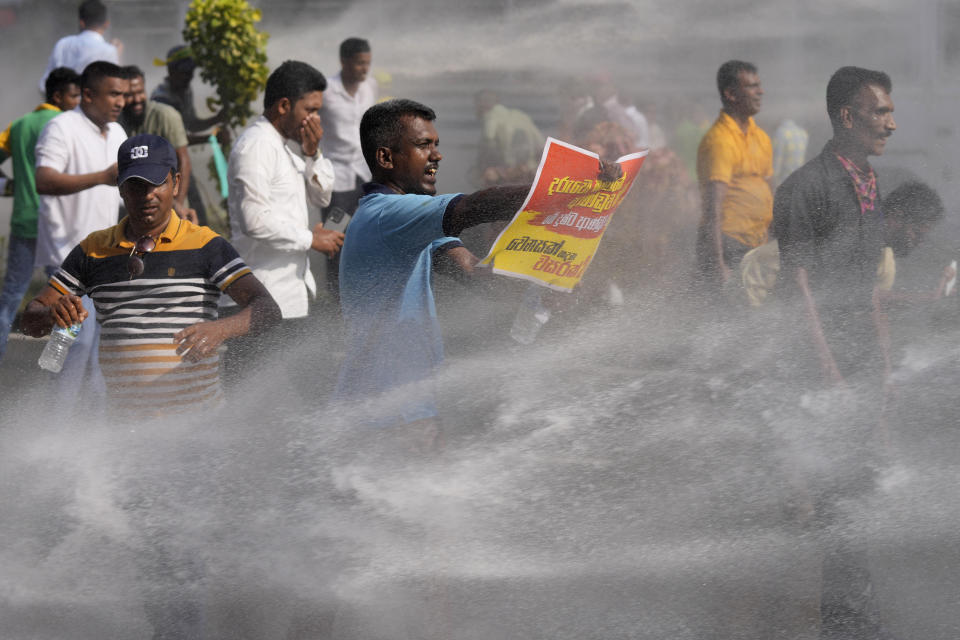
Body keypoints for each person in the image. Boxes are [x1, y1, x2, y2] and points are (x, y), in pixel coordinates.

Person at [335, 98, 618, 443]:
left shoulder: (408, 224)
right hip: (383, 412)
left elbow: (474, 273)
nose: (437, 155)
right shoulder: (388, 213)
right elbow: (474, 207)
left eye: (437, 145)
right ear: (385, 157)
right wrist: (565, 191)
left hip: (404, 404)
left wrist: (540, 284)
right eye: (424, 145)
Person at [22, 133, 281, 416]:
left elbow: (267, 308)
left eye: (156, 182)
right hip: (124, 431)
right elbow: (30, 322)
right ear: (121, 189)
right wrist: (52, 315)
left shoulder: (207, 246)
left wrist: (221, 329)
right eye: (135, 185)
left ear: (176, 183)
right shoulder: (93, 250)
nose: (147, 195)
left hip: (199, 426)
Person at [772, 66, 899, 640]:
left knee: (855, 504)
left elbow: (871, 286)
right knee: (837, 506)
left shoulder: (870, 186)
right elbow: (798, 287)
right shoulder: (803, 189)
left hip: (862, 365)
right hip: (821, 366)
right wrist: (829, 372)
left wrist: (885, 369)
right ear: (846, 117)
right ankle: (851, 627)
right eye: (879, 112)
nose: (891, 124)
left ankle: (853, 623)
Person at [225, 60, 343, 381]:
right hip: (261, 301)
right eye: (311, 109)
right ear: (284, 105)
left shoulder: (285, 149)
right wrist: (310, 239)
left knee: (290, 404)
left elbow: (321, 198)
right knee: (262, 406)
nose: (316, 119)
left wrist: (313, 153)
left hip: (287, 301)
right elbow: (254, 220)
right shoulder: (256, 146)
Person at [33, 60, 128, 400]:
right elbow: (43, 180)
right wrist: (101, 177)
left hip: (105, 259)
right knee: (76, 343)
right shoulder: (61, 127)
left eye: (124, 95)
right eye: (114, 94)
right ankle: (54, 431)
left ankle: (95, 433)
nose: (121, 102)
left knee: (98, 350)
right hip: (66, 260)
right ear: (88, 95)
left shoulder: (117, 133)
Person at [0, 67, 81, 360]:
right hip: (57, 225)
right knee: (66, 294)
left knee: (11, 294)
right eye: (74, 96)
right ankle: (63, 357)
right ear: (58, 96)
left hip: (24, 220)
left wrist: (8, 184)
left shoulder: (19, 125)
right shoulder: (68, 124)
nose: (77, 102)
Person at [696, 60, 773, 286]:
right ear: (730, 94)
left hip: (757, 243)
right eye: (752, 86)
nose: (761, 91)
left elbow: (770, 190)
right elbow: (713, 208)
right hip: (729, 245)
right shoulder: (720, 140)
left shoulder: (761, 137)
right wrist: (718, 265)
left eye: (759, 85)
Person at [317, 37, 379, 297]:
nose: (364, 69)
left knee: (368, 231)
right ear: (344, 62)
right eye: (359, 64)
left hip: (364, 174)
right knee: (336, 235)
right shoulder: (326, 91)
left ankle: (365, 290)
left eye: (367, 63)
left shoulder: (370, 86)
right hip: (337, 178)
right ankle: (336, 295)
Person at [152, 44, 228, 225]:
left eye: (190, 72)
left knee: (197, 210)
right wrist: (210, 138)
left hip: (180, 161)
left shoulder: (184, 89)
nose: (189, 77)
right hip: (165, 166)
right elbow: (178, 141)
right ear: (171, 71)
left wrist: (216, 118)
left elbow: (191, 124)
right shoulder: (163, 99)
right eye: (184, 73)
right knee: (180, 212)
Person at [119, 65, 196, 223]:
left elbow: (183, 160)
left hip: (169, 203)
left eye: (140, 92)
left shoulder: (166, 116)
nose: (136, 100)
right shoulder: (116, 122)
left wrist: (177, 202)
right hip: (134, 207)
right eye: (129, 95)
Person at [39, 0, 120, 93]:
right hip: (91, 107)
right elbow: (115, 87)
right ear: (106, 24)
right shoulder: (109, 50)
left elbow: (43, 85)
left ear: (81, 22)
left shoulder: (63, 44)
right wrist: (118, 54)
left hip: (60, 104)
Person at [473, 89, 545, 186]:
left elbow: (488, 142)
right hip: (530, 170)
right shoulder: (521, 115)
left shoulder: (491, 117)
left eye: (477, 105)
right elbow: (541, 144)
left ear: (481, 105)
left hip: (509, 173)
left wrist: (486, 169)